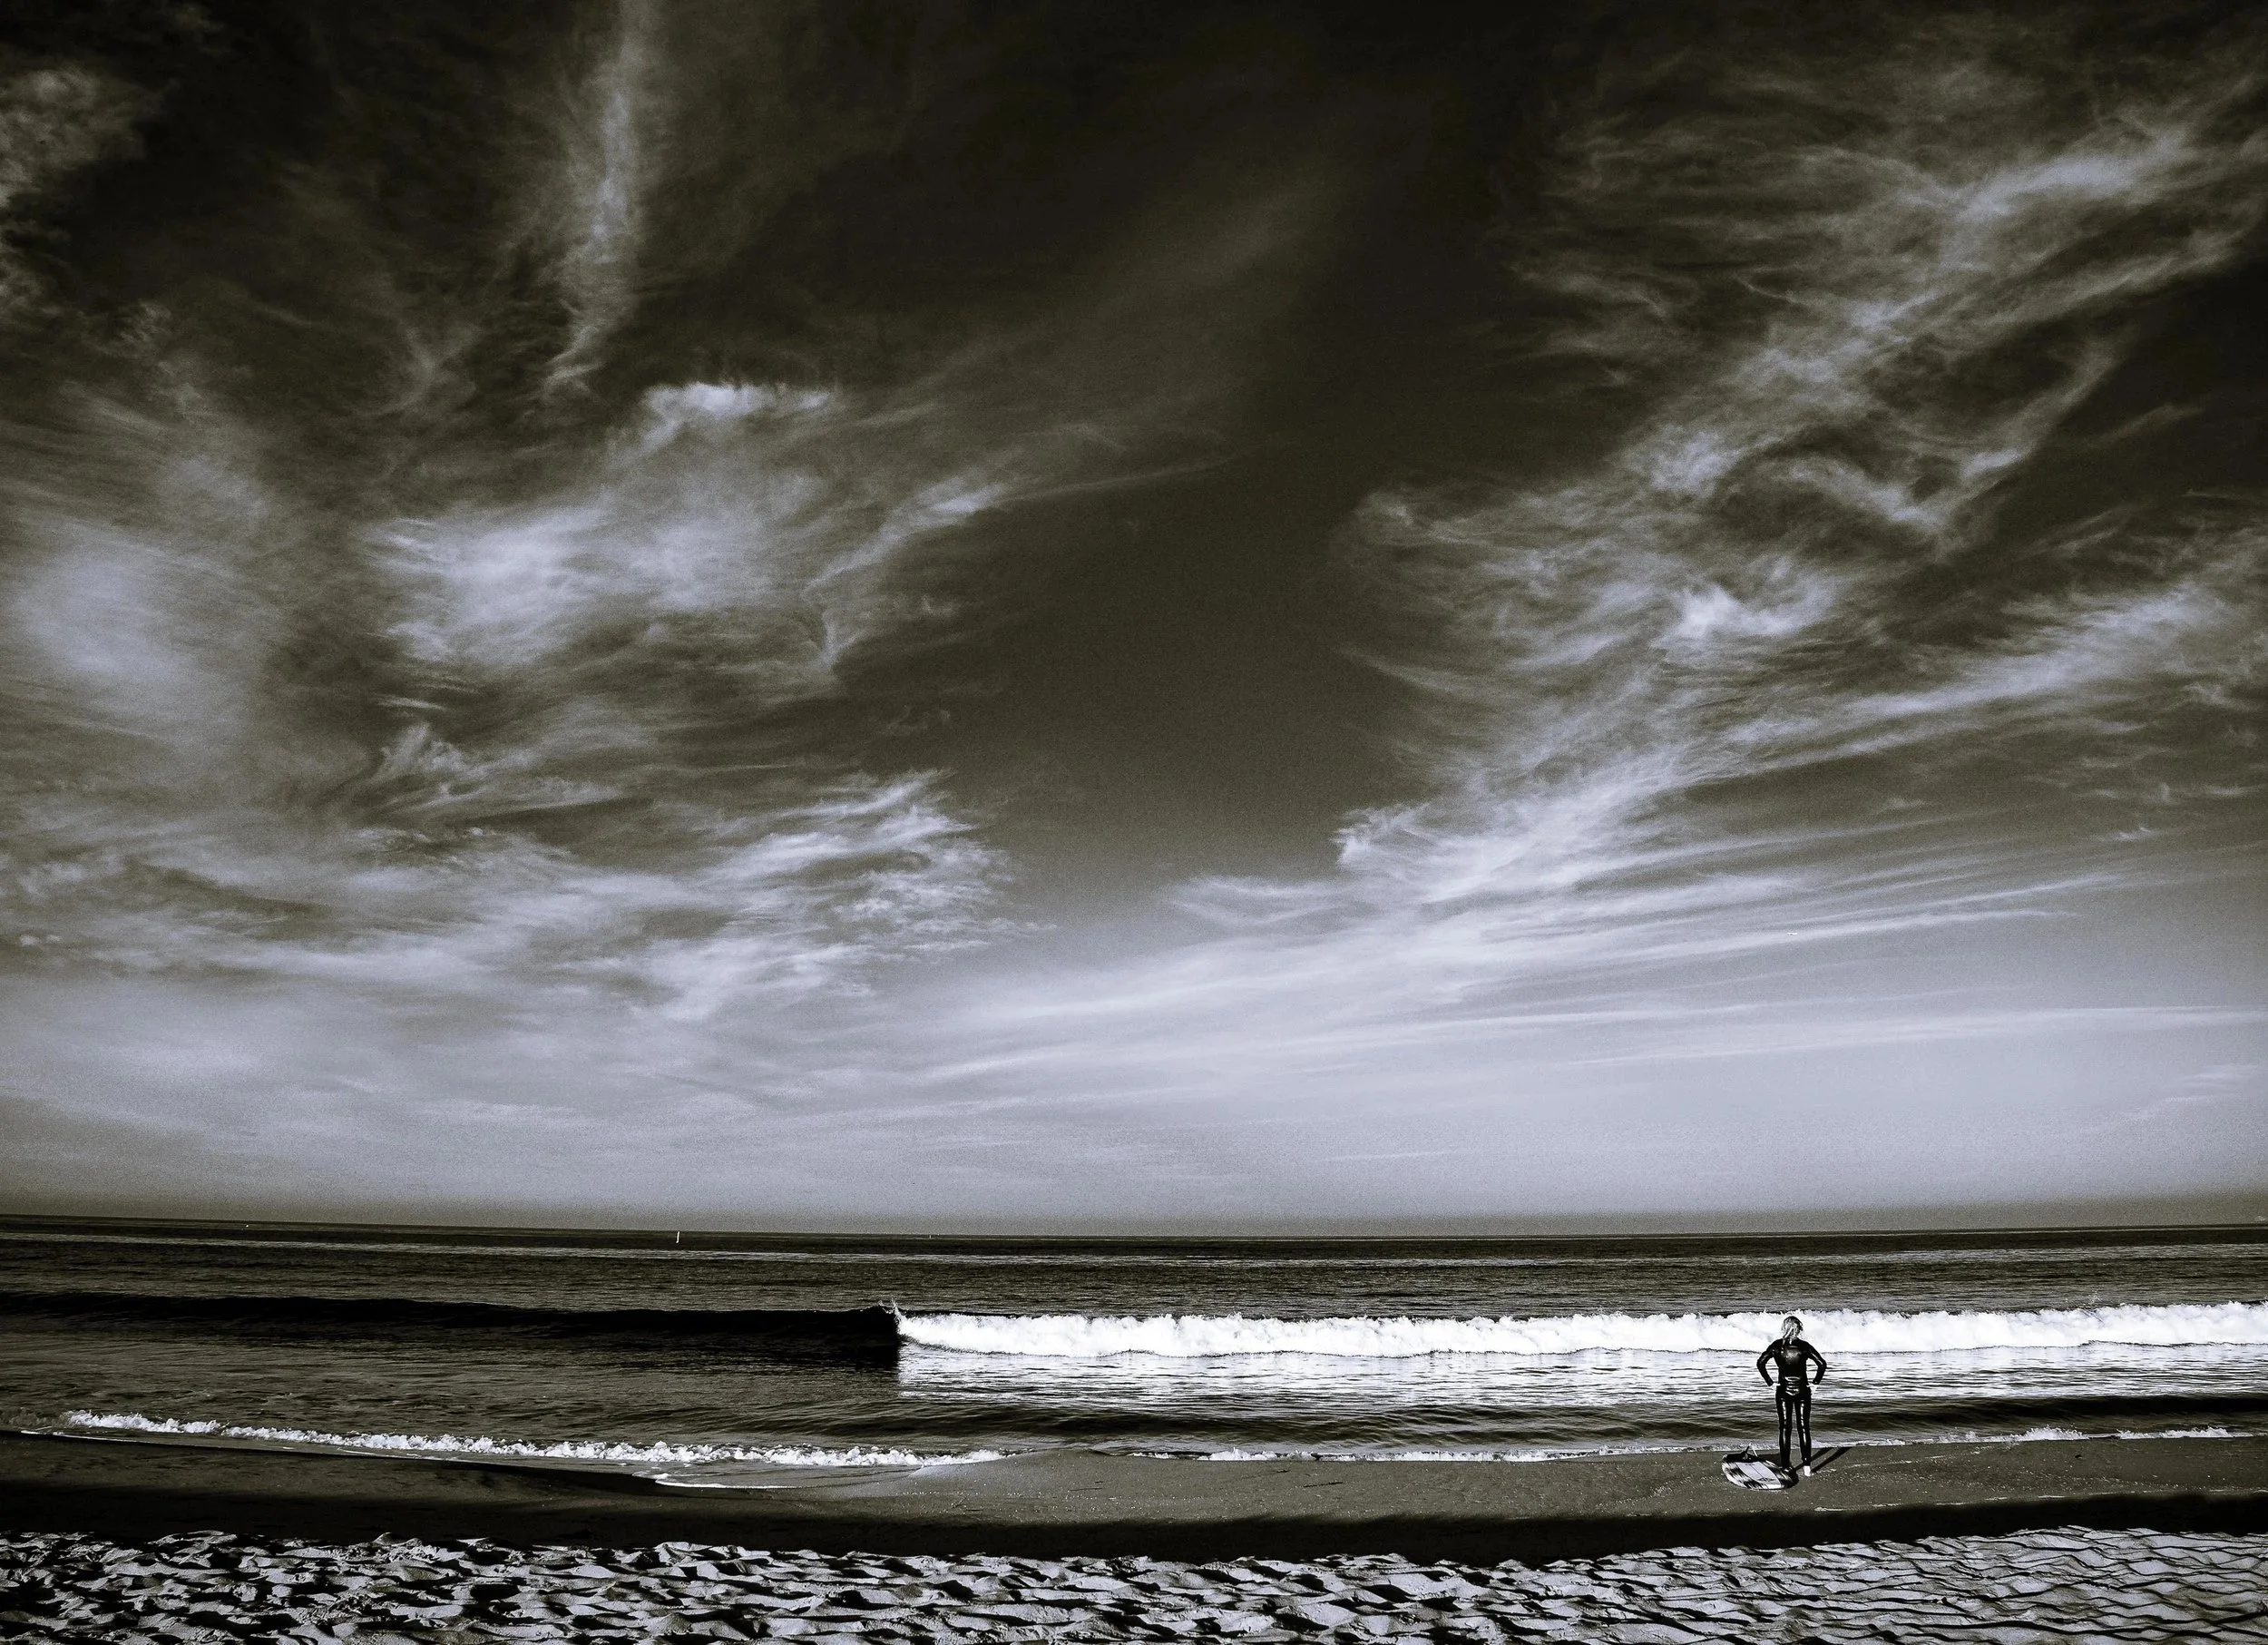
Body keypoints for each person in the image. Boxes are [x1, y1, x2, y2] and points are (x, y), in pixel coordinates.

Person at [1756, 1315, 1827, 1474]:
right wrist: (1815, 1384)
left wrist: (1770, 1383)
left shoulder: (1776, 1346)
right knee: (1804, 1427)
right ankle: (1807, 1467)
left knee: (1785, 1428)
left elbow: (1760, 1363)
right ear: (1798, 1329)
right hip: (1803, 1390)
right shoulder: (1804, 1346)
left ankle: (1786, 1466)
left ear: (1784, 1328)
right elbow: (1822, 1364)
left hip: (1783, 1391)